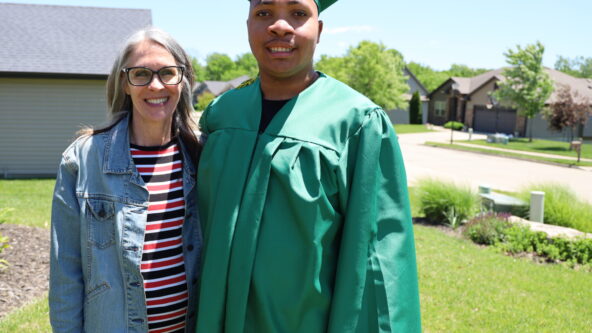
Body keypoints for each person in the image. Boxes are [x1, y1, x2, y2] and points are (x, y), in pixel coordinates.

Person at [195, 0, 421, 332]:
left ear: (319, 30)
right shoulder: (221, 115)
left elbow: (377, 261)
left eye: (298, 13)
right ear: (248, 26)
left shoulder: (356, 122)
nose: (280, 26)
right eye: (264, 13)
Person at [49, 27, 202, 333]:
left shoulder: (203, 155)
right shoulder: (82, 160)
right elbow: (66, 273)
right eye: (141, 74)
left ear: (182, 80)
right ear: (124, 83)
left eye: (168, 73)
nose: (156, 85)